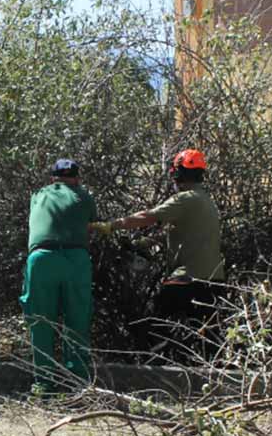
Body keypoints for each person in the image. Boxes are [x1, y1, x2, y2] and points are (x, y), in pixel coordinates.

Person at [94, 149, 224, 358]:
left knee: (157, 326)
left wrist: (111, 225)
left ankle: (150, 366)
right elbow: (183, 233)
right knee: (210, 339)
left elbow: (148, 216)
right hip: (214, 280)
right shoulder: (206, 201)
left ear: (178, 174)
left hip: (186, 278)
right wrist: (144, 243)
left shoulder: (185, 199)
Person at [19, 159, 97, 393]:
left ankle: (43, 386)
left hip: (41, 259)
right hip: (76, 259)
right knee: (77, 322)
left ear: (52, 178)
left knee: (40, 322)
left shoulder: (38, 195)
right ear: (77, 178)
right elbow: (90, 225)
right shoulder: (84, 196)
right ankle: (77, 385)